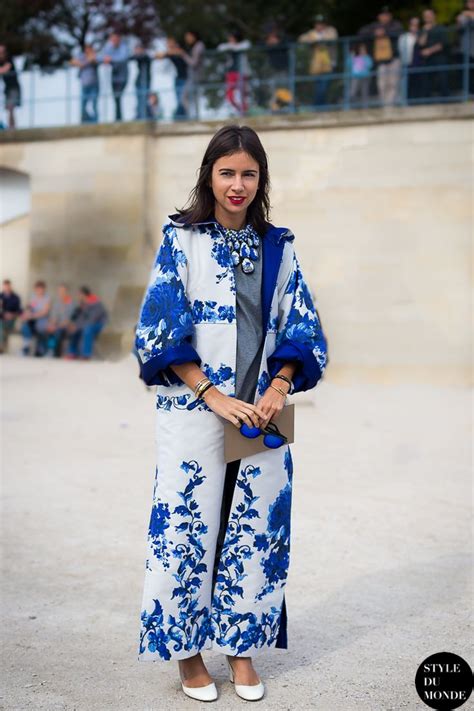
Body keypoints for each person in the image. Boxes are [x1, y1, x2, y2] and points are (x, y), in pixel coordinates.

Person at [135, 124, 328, 701]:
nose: (237, 185)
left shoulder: (280, 245)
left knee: (255, 529)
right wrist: (211, 395)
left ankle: (241, 651)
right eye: (227, 173)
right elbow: (158, 330)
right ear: (209, 176)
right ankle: (189, 655)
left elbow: (303, 326)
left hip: (261, 417)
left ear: (260, 177)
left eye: (248, 173)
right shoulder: (181, 240)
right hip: (195, 410)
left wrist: (279, 385)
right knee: (186, 527)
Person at [358, 6, 403, 106]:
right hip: (380, 61)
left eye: (387, 15)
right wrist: (374, 33)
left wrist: (385, 32)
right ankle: (385, 104)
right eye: (383, 15)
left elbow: (399, 31)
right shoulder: (374, 26)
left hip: (393, 59)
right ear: (379, 17)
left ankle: (391, 104)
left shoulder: (395, 25)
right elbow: (361, 33)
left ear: (390, 16)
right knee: (382, 84)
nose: (385, 17)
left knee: (393, 83)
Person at [297, 14, 338, 108]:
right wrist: (313, 40)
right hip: (316, 65)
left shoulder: (330, 31)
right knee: (318, 87)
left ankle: (319, 106)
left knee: (324, 87)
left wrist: (318, 40)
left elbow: (332, 38)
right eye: (317, 24)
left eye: (321, 23)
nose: (319, 26)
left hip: (328, 64)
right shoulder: (312, 33)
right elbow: (301, 39)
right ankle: (319, 106)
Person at [65, 286, 108, 360]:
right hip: (87, 324)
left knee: (87, 329)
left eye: (79, 294)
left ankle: (86, 354)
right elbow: (80, 319)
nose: (77, 296)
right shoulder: (82, 305)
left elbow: (92, 319)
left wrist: (77, 326)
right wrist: (74, 325)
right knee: (73, 330)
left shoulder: (96, 303)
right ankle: (72, 353)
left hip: (99, 324)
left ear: (83, 295)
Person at [217, 30, 252, 114]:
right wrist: (232, 46)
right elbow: (220, 48)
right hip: (231, 73)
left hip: (242, 73)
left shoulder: (243, 45)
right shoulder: (228, 46)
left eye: (231, 37)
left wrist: (233, 47)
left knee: (243, 94)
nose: (229, 39)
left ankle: (245, 111)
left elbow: (246, 45)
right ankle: (240, 110)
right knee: (230, 96)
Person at [418, 9, 449, 100]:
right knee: (426, 82)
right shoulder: (423, 30)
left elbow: (443, 44)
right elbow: (421, 44)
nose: (427, 17)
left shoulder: (440, 28)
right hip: (427, 59)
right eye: (425, 16)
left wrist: (429, 51)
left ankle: (446, 100)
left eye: (429, 15)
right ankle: (427, 101)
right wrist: (425, 31)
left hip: (440, 58)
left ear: (434, 16)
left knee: (443, 80)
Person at [155, 38, 188, 120]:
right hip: (178, 78)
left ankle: (181, 117)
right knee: (178, 99)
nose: (168, 45)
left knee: (182, 99)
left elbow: (180, 52)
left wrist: (167, 52)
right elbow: (157, 55)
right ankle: (180, 117)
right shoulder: (170, 53)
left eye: (169, 43)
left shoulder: (178, 50)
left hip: (185, 78)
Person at [99, 32, 129, 121]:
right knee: (116, 98)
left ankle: (118, 117)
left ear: (119, 39)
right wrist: (106, 58)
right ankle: (118, 117)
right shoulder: (109, 47)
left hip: (123, 77)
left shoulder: (124, 47)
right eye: (112, 40)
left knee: (118, 96)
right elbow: (100, 57)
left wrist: (111, 59)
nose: (114, 41)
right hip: (114, 77)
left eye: (115, 39)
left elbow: (122, 58)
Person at [20, 281, 51, 356]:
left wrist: (32, 316)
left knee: (41, 328)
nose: (39, 291)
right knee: (25, 326)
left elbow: (44, 312)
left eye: (41, 289)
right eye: (37, 289)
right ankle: (26, 347)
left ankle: (42, 349)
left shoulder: (47, 298)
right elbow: (30, 307)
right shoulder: (33, 297)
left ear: (44, 289)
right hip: (33, 320)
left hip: (42, 320)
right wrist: (25, 315)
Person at [70, 44, 100, 123]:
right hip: (84, 85)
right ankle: (85, 121)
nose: (88, 50)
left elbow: (94, 60)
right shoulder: (81, 56)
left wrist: (83, 63)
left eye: (89, 49)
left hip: (94, 85)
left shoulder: (94, 56)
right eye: (86, 49)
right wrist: (83, 62)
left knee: (94, 105)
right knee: (83, 105)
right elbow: (72, 62)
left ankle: (95, 122)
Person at [45, 283, 76, 357]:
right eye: (59, 291)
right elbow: (54, 316)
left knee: (58, 331)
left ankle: (58, 353)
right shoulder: (57, 302)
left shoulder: (71, 303)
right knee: (49, 330)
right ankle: (50, 350)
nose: (60, 293)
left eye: (62, 291)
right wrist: (52, 324)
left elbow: (70, 319)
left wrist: (58, 326)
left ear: (66, 292)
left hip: (66, 325)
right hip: (57, 325)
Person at [181, 31, 206, 119]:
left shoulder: (199, 46)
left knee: (186, 97)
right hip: (193, 76)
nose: (187, 39)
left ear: (193, 36)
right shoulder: (196, 46)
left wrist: (183, 55)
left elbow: (194, 63)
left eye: (188, 36)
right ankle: (194, 116)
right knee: (191, 98)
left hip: (195, 76)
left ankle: (193, 117)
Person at [398, 17, 423, 101]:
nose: (414, 27)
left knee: (418, 84)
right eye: (413, 25)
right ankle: (408, 101)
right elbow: (401, 51)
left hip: (419, 64)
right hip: (408, 64)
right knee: (408, 84)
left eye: (416, 25)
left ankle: (418, 101)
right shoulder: (404, 37)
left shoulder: (421, 36)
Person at [0, 44, 21, 129]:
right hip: (7, 88)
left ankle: (12, 128)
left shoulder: (9, 59)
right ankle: (11, 127)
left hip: (14, 87)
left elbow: (4, 69)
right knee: (9, 109)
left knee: (10, 107)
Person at [346, 43, 374, 108]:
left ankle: (365, 106)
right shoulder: (353, 57)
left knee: (365, 92)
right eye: (360, 49)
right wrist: (351, 57)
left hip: (365, 77)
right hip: (355, 77)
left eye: (363, 49)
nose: (362, 51)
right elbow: (348, 65)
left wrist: (365, 57)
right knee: (353, 92)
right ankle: (351, 105)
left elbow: (370, 65)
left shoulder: (367, 57)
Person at [456, 0, 474, 96]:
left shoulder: (466, 15)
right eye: (469, 2)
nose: (471, 4)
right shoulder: (463, 16)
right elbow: (459, 28)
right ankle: (468, 92)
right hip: (467, 50)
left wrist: (470, 16)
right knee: (467, 72)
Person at [0, 279, 22, 353]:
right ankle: (2, 346)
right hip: (2, 319)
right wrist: (3, 313)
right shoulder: (0, 297)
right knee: (1, 325)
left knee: (3, 327)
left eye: (8, 286)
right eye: (5, 286)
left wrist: (12, 315)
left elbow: (19, 311)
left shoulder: (16, 298)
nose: (6, 288)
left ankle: (2, 346)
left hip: (12, 320)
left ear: (10, 286)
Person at [132, 44, 152, 120]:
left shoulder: (146, 57)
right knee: (140, 100)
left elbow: (143, 57)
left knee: (143, 100)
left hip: (145, 81)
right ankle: (140, 115)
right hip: (139, 81)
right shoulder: (137, 57)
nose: (136, 52)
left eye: (138, 50)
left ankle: (144, 116)